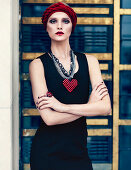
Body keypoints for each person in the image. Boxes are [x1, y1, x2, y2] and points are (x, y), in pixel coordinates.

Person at [29, 2, 111, 170]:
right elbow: (49, 119)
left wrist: (61, 107)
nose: (59, 26)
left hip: (79, 151)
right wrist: (89, 106)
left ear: (72, 26)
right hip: (46, 153)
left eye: (65, 21)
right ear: (46, 28)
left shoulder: (90, 62)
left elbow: (105, 108)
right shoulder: (37, 65)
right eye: (53, 21)